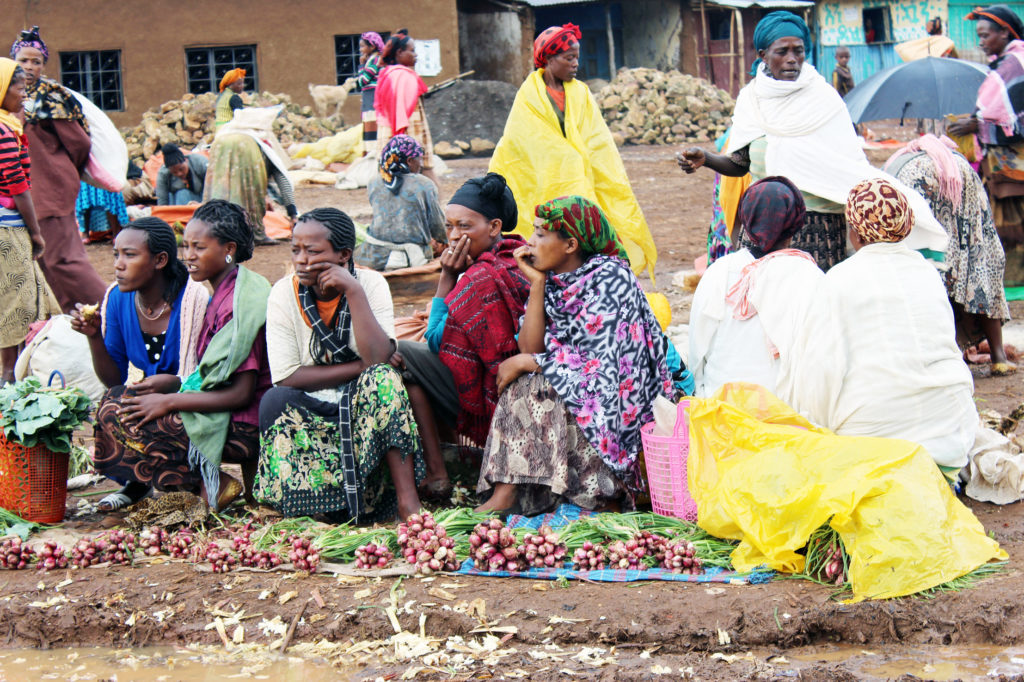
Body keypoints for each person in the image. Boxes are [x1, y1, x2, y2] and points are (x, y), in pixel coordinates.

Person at [677, 12, 948, 272]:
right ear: (762, 55)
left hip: (819, 230)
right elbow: (739, 164)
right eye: (782, 52)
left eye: (799, 51)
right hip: (766, 226)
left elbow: (849, 165)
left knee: (815, 308)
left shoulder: (824, 98)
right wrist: (707, 159)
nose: (792, 59)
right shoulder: (752, 100)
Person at [476, 196, 673, 515]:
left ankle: (594, 493)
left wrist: (532, 362)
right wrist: (537, 284)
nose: (530, 242)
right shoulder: (552, 282)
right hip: (576, 392)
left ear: (570, 244)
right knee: (528, 385)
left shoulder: (611, 279)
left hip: (616, 408)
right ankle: (508, 492)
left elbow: (604, 369)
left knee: (533, 385)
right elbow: (531, 348)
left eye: (541, 234)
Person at [780, 179, 977, 477]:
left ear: (855, 232)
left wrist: (812, 428)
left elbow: (819, 370)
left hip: (875, 450)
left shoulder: (838, 280)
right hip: (951, 437)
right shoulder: (927, 272)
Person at [87, 201, 272, 511]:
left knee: (121, 413)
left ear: (229, 248)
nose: (188, 256)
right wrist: (173, 383)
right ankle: (181, 484)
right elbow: (209, 375)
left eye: (198, 247)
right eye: (186, 246)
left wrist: (169, 401)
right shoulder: (225, 292)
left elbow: (240, 393)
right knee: (117, 400)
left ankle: (198, 484)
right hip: (222, 410)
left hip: (243, 425)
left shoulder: (235, 305)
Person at [255, 207, 425, 521]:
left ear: (344, 254)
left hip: (362, 400)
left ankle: (407, 501)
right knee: (274, 401)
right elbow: (287, 375)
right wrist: (360, 367)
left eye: (313, 251)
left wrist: (354, 291)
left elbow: (377, 359)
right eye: (296, 250)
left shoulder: (371, 285)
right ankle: (314, 503)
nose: (302, 259)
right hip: (312, 400)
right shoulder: (282, 293)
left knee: (385, 380)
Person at [389, 173, 530, 500]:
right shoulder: (515, 254)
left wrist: (447, 277)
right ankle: (442, 469)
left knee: (401, 353)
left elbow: (437, 342)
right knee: (410, 375)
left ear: (494, 227)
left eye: (464, 226)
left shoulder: (481, 276)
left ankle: (438, 470)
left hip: (493, 391)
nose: (453, 236)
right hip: (507, 382)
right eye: (449, 226)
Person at [489, 24, 658, 278]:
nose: (576, 63)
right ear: (548, 59)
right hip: (547, 181)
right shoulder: (528, 96)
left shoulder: (581, 93)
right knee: (551, 237)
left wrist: (582, 162)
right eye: (569, 58)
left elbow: (596, 139)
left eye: (577, 57)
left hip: (583, 179)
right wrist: (566, 158)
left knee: (585, 234)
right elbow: (523, 142)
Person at [70, 217, 209, 509]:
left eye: (129, 255)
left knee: (165, 419)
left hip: (195, 400)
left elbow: (208, 373)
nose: (118, 264)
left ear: (160, 260)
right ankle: (137, 484)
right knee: (112, 402)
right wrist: (94, 336)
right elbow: (114, 379)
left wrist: (175, 385)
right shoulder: (118, 300)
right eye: (116, 255)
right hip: (154, 395)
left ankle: (188, 484)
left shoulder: (193, 299)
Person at [886, 134, 1014, 374]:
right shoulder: (955, 160)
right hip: (959, 176)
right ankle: (999, 358)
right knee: (980, 259)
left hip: (919, 182)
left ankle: (942, 356)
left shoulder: (899, 164)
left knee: (931, 268)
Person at [689, 177, 824, 397]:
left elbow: (697, 355)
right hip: (787, 415)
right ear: (796, 224)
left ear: (746, 220)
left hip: (722, 410)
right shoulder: (810, 277)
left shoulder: (720, 272)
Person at [11, 26, 108, 311]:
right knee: (42, 263)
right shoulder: (10, 97)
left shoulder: (52, 98)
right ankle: (68, 318)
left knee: (64, 260)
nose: (29, 67)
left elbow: (79, 144)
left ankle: (109, 312)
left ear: (43, 65)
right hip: (23, 192)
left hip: (50, 190)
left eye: (35, 61)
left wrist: (59, 172)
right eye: (23, 60)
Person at [948, 5, 1024, 278]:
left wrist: (976, 124)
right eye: (978, 36)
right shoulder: (1006, 64)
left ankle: (1014, 278)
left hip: (1014, 165)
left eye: (985, 35)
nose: (980, 42)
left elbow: (1015, 118)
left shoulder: (1014, 65)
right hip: (1005, 163)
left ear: (1004, 32)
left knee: (1010, 221)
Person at [0, 58, 59, 384]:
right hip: (8, 228)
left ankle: (20, 369)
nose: (23, 94)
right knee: (15, 301)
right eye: (17, 87)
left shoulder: (9, 124)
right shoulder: (4, 131)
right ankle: (9, 376)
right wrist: (35, 233)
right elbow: (18, 186)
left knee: (25, 296)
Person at [355, 134, 445, 270]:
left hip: (374, 253)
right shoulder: (424, 184)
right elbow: (436, 223)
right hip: (412, 256)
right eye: (418, 159)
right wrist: (446, 241)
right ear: (409, 161)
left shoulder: (374, 181)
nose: (420, 164)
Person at [204, 125, 297, 246]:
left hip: (219, 145)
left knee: (220, 189)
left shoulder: (229, 132)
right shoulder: (266, 149)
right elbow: (282, 180)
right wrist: (292, 213)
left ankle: (215, 232)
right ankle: (256, 234)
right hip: (246, 148)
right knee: (252, 195)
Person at [374, 33, 438, 186]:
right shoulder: (401, 76)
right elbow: (399, 112)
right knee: (420, 173)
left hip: (395, 131)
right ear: (399, 53)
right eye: (412, 50)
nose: (415, 55)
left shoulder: (388, 74)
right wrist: (402, 140)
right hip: (407, 130)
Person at [355, 31, 385, 155]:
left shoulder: (375, 60)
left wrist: (361, 65)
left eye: (362, 46)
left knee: (372, 130)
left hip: (372, 99)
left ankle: (372, 157)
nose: (360, 49)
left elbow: (362, 81)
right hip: (372, 98)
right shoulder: (375, 59)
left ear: (372, 47)